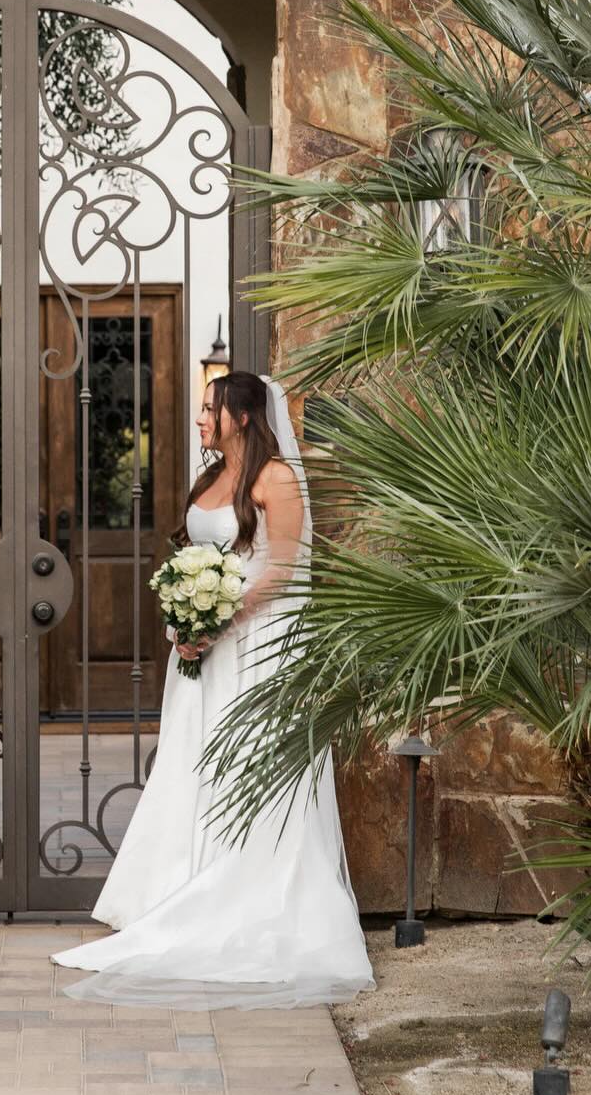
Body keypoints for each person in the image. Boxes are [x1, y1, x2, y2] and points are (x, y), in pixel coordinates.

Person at [53, 371, 373, 1006]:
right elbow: (196, 558)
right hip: (203, 648)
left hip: (259, 646)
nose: (201, 418)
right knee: (195, 761)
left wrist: (220, 618)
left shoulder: (275, 478)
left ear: (244, 417)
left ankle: (247, 895)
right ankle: (180, 882)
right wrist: (187, 619)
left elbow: (283, 569)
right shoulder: (208, 480)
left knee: (250, 762)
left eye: (210, 409)